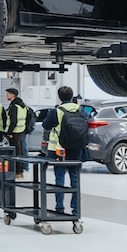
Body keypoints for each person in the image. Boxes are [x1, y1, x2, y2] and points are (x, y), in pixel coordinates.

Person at [42, 85, 84, 216]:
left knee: (59, 178)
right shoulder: (80, 109)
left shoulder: (56, 111)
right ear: (72, 96)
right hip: (76, 148)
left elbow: (46, 125)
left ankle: (59, 208)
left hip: (59, 149)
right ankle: (76, 210)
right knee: (75, 179)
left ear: (59, 97)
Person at [2, 87, 34, 178]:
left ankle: (18, 172)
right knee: (20, 152)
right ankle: (20, 171)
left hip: (15, 133)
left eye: (8, 94)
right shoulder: (23, 106)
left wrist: (9, 132)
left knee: (16, 153)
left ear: (12, 95)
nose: (6, 95)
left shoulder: (14, 106)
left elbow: (13, 121)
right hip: (21, 132)